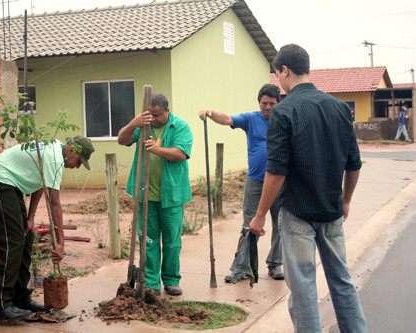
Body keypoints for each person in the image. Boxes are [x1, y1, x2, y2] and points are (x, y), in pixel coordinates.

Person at [249, 44, 368, 332]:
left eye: (278, 74)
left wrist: (260, 213)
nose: (279, 80)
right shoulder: (340, 108)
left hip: (298, 214)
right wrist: (346, 200)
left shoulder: (284, 111)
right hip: (332, 211)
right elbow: (354, 164)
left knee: (303, 288)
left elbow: (276, 171)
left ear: (285, 70)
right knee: (341, 281)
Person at [0, 136, 95, 321]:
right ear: (73, 151)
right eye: (79, 162)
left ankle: (20, 298)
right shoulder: (55, 158)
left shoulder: (56, 149)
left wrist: (30, 217)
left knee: (26, 238)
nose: (77, 166)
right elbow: (55, 204)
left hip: (12, 184)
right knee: (12, 242)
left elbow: (40, 182)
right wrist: (61, 243)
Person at [198, 83, 284, 286]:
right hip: (255, 182)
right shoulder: (250, 119)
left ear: (277, 103)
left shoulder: (283, 121)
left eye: (272, 103)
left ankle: (275, 264)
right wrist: (209, 112)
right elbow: (227, 119)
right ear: (259, 103)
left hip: (280, 181)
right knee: (249, 225)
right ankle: (241, 267)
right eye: (264, 103)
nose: (268, 107)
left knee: (280, 225)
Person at [118, 92, 193, 296]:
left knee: (171, 242)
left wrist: (155, 149)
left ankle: (171, 280)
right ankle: (151, 282)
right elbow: (121, 139)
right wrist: (134, 123)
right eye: (150, 115)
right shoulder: (143, 126)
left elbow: (181, 154)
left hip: (172, 196)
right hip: (146, 197)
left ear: (167, 111)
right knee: (148, 241)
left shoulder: (180, 127)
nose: (154, 119)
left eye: (157, 115)